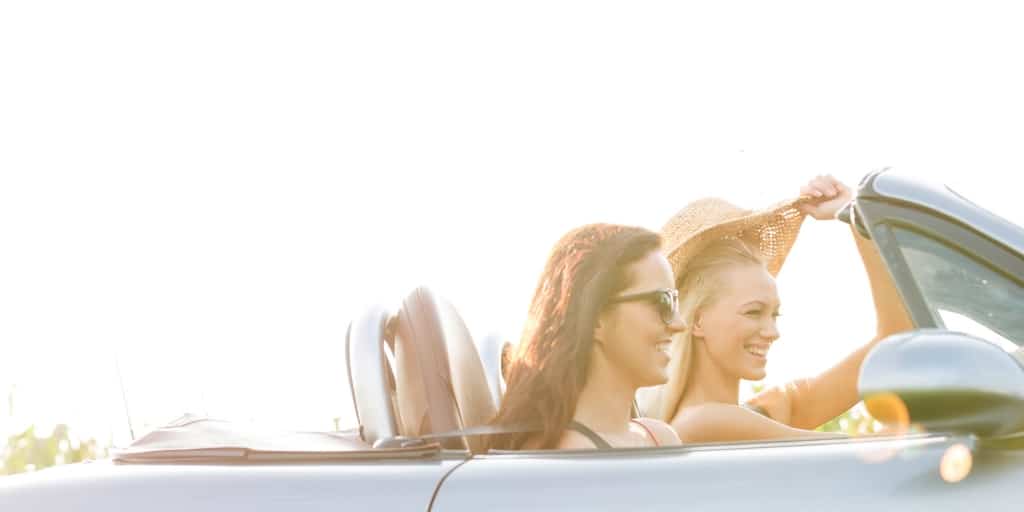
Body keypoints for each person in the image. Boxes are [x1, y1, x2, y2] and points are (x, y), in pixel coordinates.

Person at [638, 175, 914, 442]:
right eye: (753, 312)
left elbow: (894, 342)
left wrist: (856, 218)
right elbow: (870, 457)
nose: (772, 332)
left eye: (775, 314)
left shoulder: (751, 415)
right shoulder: (704, 422)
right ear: (697, 321)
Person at [487, 223, 685, 449]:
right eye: (663, 302)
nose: (680, 324)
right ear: (596, 316)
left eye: (676, 301)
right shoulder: (567, 457)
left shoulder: (661, 437)